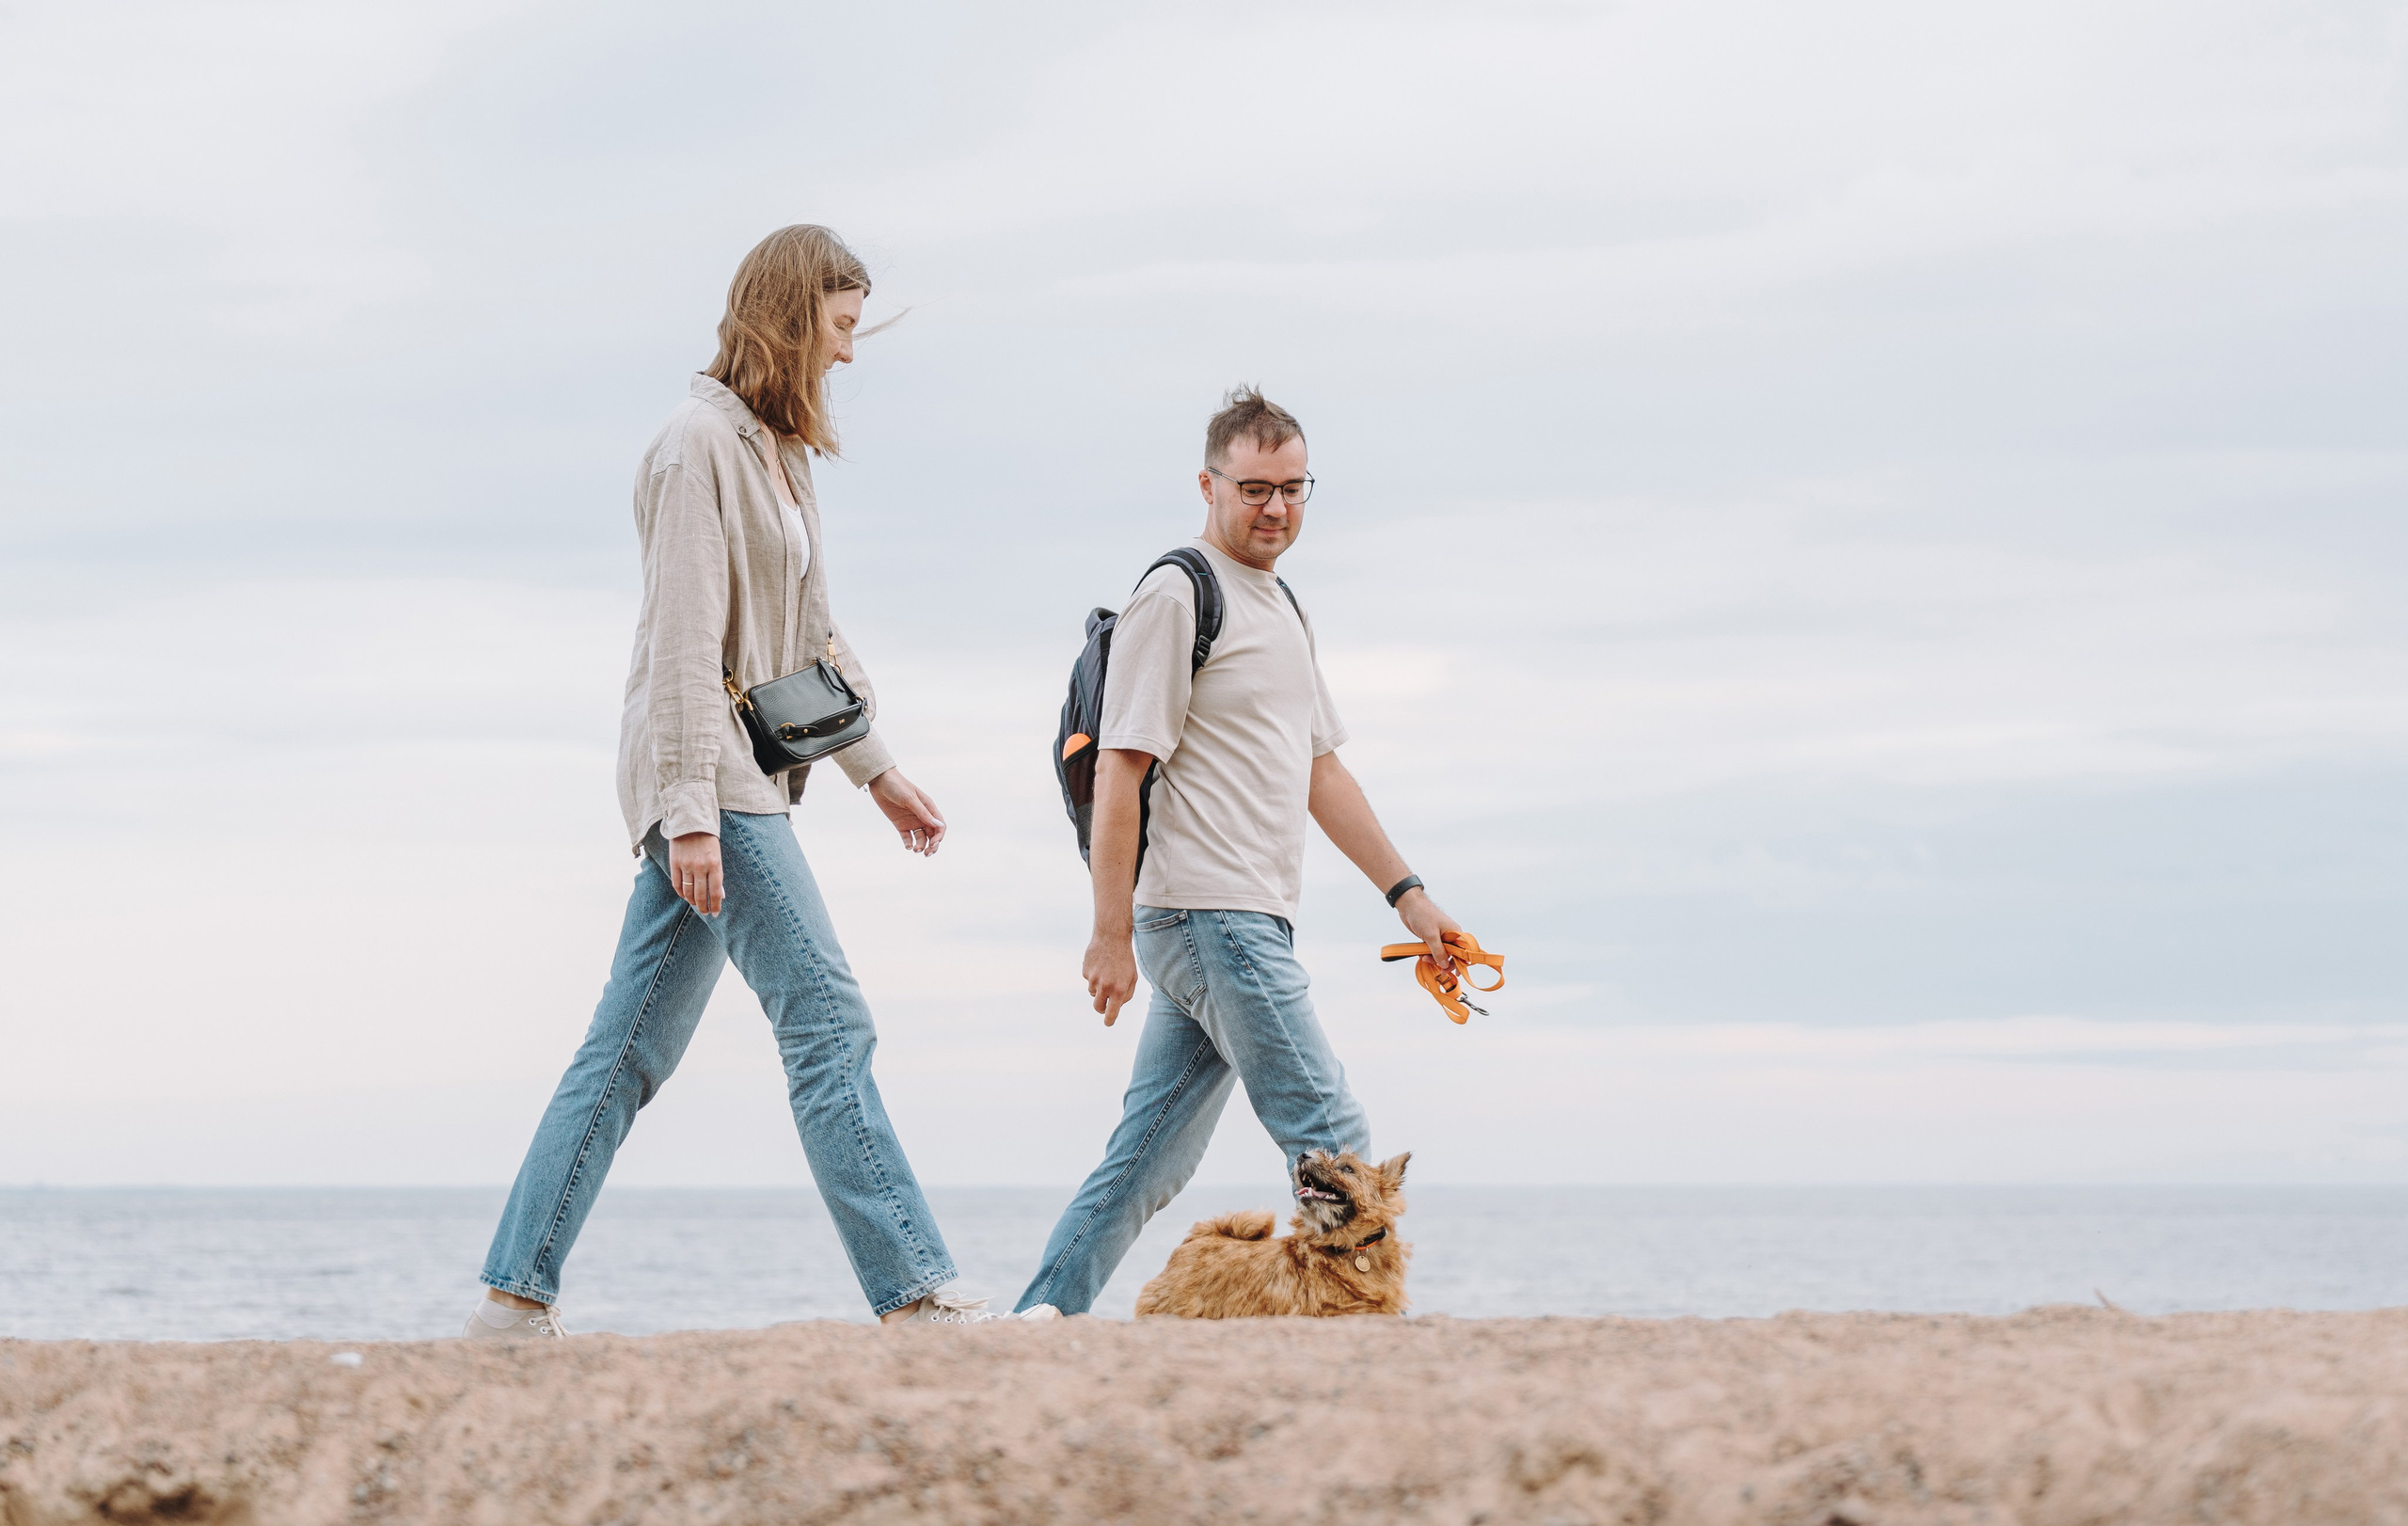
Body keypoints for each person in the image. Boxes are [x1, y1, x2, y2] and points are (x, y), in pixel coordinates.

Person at [464, 225, 1053, 1338]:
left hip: (740, 780)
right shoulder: (697, 446)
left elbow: (812, 634)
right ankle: (916, 1291)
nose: (847, 353)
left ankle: (509, 1301)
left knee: (626, 1049)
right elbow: (684, 640)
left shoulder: (777, 453)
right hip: (710, 783)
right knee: (828, 1021)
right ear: (789, 319)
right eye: (838, 327)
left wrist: (877, 770)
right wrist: (689, 815)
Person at [1014, 387, 1463, 1316]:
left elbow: (1322, 771)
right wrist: (1109, 933)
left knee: (1148, 1157)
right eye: (1255, 487)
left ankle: (1038, 1320)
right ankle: (1353, 1329)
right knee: (1333, 1137)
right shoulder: (1178, 595)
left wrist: (1409, 896)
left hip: (1244, 918)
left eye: (1294, 489)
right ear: (1209, 483)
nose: (1275, 508)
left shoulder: (1281, 604)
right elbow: (1119, 771)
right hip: (1207, 912)